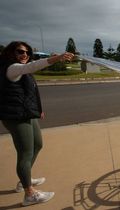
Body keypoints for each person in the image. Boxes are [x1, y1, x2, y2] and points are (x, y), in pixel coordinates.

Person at [0, 41, 74, 206]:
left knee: (38, 144)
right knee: (25, 153)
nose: (24, 55)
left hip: (27, 113)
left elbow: (31, 90)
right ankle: (29, 194)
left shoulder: (21, 69)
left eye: (27, 52)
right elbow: (33, 66)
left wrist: (38, 109)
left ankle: (25, 179)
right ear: (11, 53)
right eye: (20, 52)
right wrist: (58, 58)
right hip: (16, 116)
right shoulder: (12, 68)